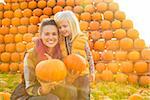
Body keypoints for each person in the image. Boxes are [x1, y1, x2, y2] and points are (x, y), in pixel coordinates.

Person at [11, 18, 77, 100]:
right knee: (51, 99)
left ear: (58, 35)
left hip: (50, 90)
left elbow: (59, 80)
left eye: (54, 34)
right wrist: (43, 90)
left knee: (71, 91)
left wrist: (69, 79)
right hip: (28, 94)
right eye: (47, 34)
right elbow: (29, 87)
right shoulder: (31, 55)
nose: (51, 37)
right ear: (41, 36)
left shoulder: (60, 53)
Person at [54, 10, 95, 100]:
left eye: (65, 26)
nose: (62, 30)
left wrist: (92, 72)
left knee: (83, 95)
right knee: (72, 95)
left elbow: (89, 56)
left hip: (83, 74)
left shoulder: (81, 39)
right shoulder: (60, 41)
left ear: (73, 24)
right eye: (60, 27)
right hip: (69, 74)